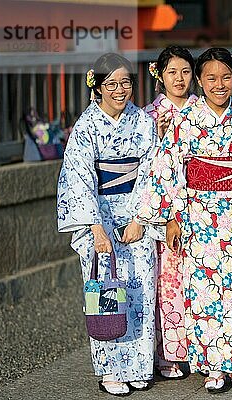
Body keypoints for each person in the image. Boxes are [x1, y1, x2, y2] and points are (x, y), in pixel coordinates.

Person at [138, 47, 232, 393]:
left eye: (226, 77)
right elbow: (170, 170)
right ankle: (212, 365)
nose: (219, 84)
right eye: (210, 78)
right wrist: (171, 218)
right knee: (203, 292)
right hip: (198, 214)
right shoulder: (185, 120)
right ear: (200, 80)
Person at [57, 53, 158, 396]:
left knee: (140, 287)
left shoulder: (143, 122)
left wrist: (141, 217)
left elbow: (151, 172)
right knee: (105, 291)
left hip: (135, 213)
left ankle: (140, 366)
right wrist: (95, 227)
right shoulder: (86, 127)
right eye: (111, 84)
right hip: (97, 213)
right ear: (97, 87)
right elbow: (78, 177)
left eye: (125, 82)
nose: (119, 90)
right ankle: (109, 369)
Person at [142, 45, 198, 379]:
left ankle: (201, 346)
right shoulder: (148, 115)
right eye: (172, 72)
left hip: (203, 205)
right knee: (168, 279)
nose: (179, 79)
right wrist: (158, 139)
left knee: (201, 278)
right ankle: (169, 352)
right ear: (159, 75)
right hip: (166, 207)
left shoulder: (202, 110)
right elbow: (145, 166)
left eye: (186, 71)